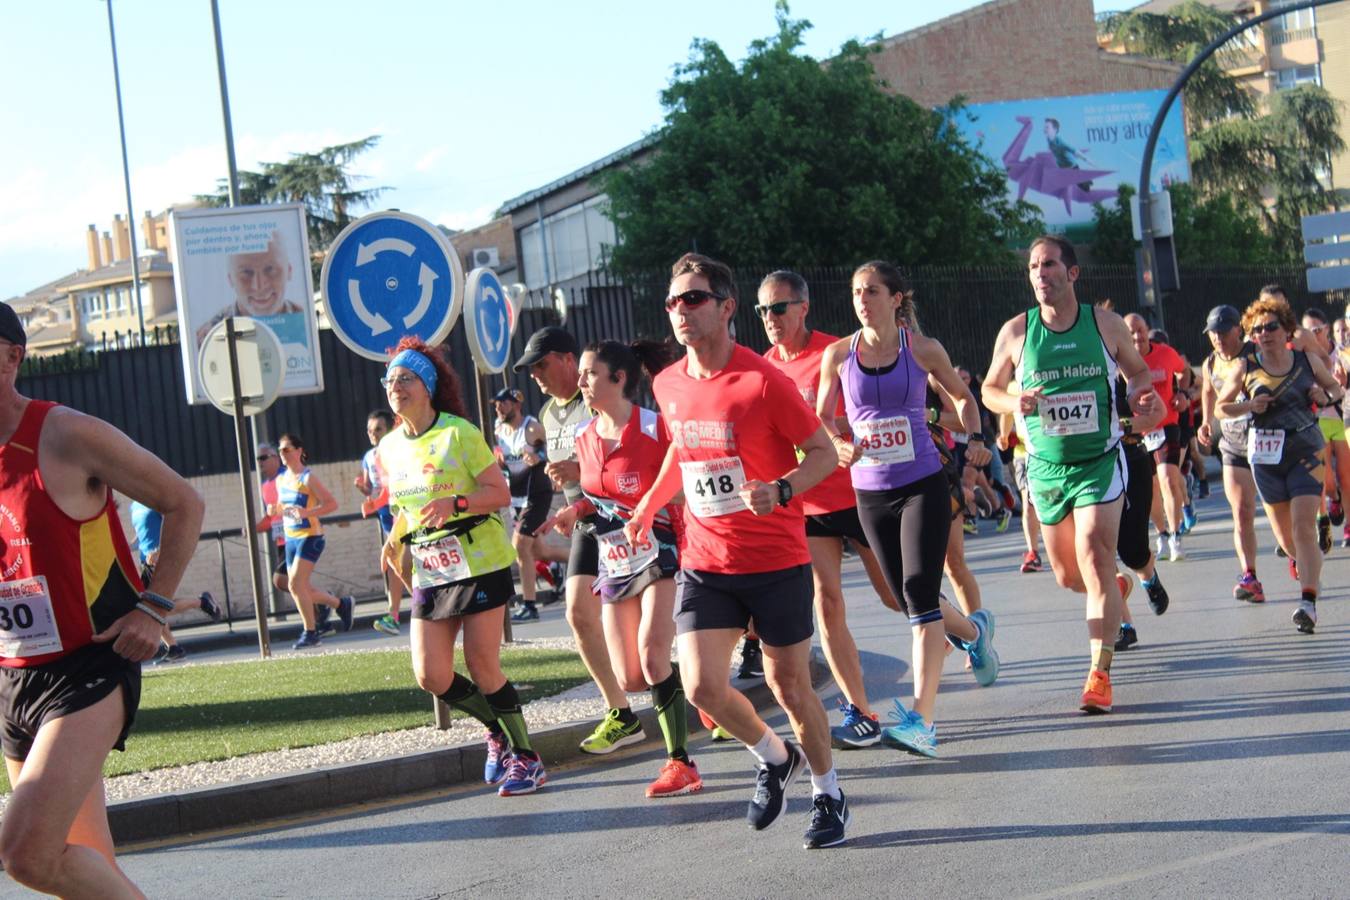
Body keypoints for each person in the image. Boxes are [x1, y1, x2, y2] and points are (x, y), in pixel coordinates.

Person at [626, 253, 849, 850]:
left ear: (726, 308)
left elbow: (823, 454)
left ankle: (828, 791)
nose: (681, 311)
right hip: (706, 562)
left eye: (693, 299)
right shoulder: (668, 381)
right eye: (673, 301)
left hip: (776, 561)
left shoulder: (762, 381)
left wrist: (779, 490)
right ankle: (774, 757)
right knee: (700, 686)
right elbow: (680, 448)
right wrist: (649, 506)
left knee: (791, 689)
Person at [0, 301, 205, 898]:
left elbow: (183, 503)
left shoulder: (65, 434)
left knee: (25, 853)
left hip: (86, 667)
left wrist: (153, 605)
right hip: (14, 676)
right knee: (83, 866)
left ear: (13, 356)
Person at [815, 261, 999, 759]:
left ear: (896, 298)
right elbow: (822, 417)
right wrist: (837, 441)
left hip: (922, 483)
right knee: (905, 596)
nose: (861, 300)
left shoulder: (922, 349)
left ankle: (923, 720)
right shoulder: (838, 355)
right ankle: (974, 631)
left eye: (871, 291)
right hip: (870, 490)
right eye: (855, 292)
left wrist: (975, 438)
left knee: (919, 591)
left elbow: (964, 401)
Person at [983, 236, 1157, 714]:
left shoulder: (1105, 325)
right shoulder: (1017, 332)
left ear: (1072, 273)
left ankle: (1099, 674)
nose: (1041, 273)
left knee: (1095, 552)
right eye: (1035, 266)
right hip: (1044, 468)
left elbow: (1139, 374)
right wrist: (1011, 401)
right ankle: (1115, 591)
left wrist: (1143, 396)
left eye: (1050, 264)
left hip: (1099, 459)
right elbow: (989, 388)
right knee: (1066, 574)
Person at [377, 337, 546, 796]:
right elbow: (403, 508)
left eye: (405, 378)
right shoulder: (389, 448)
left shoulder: (459, 433)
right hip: (432, 570)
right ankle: (497, 730)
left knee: (481, 662)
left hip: (479, 561)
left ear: (427, 385)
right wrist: (393, 542)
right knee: (430, 674)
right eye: (390, 379)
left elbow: (500, 494)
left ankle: (527, 759)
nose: (396, 386)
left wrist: (457, 501)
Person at [544, 339, 703, 797]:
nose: (581, 382)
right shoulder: (584, 438)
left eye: (590, 374)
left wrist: (646, 504)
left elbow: (686, 487)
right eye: (582, 375)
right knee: (631, 677)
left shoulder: (656, 428)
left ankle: (681, 763)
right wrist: (573, 513)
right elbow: (595, 498)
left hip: (661, 550)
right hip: (614, 561)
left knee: (654, 658)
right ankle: (700, 690)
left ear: (619, 379)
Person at [756, 270, 902, 750]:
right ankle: (861, 710)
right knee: (829, 603)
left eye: (779, 308)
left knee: (896, 595)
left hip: (857, 491)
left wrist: (838, 437)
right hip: (809, 501)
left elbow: (869, 410)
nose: (771, 319)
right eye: (763, 311)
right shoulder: (763, 369)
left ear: (803, 307)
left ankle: (967, 630)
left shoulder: (835, 352)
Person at [515, 327, 640, 755]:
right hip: (585, 522)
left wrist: (581, 470)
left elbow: (629, 447)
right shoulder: (549, 414)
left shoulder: (602, 397)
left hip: (625, 518)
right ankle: (621, 713)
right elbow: (561, 471)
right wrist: (554, 508)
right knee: (578, 614)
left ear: (569, 360)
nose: (535, 375)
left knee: (645, 626)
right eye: (530, 370)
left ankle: (703, 697)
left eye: (541, 364)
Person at [1216, 296, 1343, 634]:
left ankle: (1308, 603)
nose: (1264, 333)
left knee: (1304, 527)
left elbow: (1336, 389)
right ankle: (1304, 564)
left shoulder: (1306, 360)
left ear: (1286, 329)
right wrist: (1249, 406)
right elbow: (1220, 408)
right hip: (1266, 457)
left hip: (1306, 449)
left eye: (1271, 326)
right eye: (1257, 329)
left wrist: (1324, 396)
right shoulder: (1245, 367)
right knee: (1288, 541)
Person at [1197, 305, 1265, 603]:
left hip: (1265, 438)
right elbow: (1209, 391)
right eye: (1214, 333)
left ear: (1239, 328)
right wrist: (1204, 423)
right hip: (1232, 443)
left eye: (1224, 331)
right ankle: (1249, 576)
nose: (1219, 338)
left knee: (1281, 511)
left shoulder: (1256, 354)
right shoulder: (1211, 362)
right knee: (1241, 512)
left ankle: (1293, 552)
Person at [270, 433, 353, 649]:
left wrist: (306, 513)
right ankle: (340, 604)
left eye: (287, 449)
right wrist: (274, 510)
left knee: (295, 584)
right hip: (290, 538)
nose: (283, 454)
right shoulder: (281, 479)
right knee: (300, 587)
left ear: (299, 451)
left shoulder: (308, 478)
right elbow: (282, 507)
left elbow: (331, 504)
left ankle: (311, 632)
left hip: (310, 536)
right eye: (280, 450)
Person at [1122, 314, 1189, 561]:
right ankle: (1161, 533)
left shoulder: (1166, 353)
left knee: (1169, 481)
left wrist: (1182, 394)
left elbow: (1184, 372)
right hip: (1138, 432)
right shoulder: (1122, 361)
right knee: (1150, 489)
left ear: (1147, 330)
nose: (1137, 336)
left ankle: (1175, 536)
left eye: (1140, 330)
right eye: (1131, 332)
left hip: (1166, 425)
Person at [128, 499, 222, 663]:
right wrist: (127, 546)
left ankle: (201, 603)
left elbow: (175, 523)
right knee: (152, 608)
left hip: (161, 560)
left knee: (153, 607)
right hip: (145, 562)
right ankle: (174, 648)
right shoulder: (134, 506)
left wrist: (159, 550)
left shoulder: (155, 500)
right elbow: (142, 533)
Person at [491, 388, 554, 622]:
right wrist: (498, 461)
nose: (498, 408)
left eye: (503, 404)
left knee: (519, 547)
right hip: (516, 497)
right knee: (539, 551)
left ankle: (530, 605)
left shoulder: (532, 427)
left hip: (536, 493)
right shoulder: (499, 429)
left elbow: (554, 447)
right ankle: (568, 569)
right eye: (496, 405)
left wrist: (540, 456)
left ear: (516, 405)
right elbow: (501, 457)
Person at [194, 230, 305, 345]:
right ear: (230, 279)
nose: (259, 286)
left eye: (270, 269)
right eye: (246, 273)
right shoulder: (211, 336)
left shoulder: (305, 324)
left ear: (289, 271)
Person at [1299, 308, 1349, 555]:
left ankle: (1349, 525)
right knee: (1327, 482)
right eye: (1308, 331)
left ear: (1327, 329)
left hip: (1342, 419)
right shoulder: (1303, 356)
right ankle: (1335, 499)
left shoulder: (1341, 352)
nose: (1313, 335)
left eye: (1317, 330)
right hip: (1317, 422)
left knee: (1346, 475)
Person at [355, 410, 404, 636]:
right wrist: (364, 492)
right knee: (396, 562)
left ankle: (398, 613)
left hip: (400, 508)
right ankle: (397, 613)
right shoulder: (369, 456)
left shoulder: (396, 450)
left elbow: (392, 487)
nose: (373, 434)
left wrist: (376, 502)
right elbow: (371, 487)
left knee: (398, 561)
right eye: (369, 431)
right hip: (385, 512)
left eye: (378, 430)